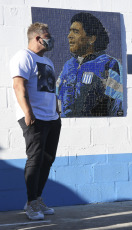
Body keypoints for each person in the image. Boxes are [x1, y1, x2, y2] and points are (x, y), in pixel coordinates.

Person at [10, 22, 61, 220]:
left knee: (47, 160)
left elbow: (50, 90)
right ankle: (31, 203)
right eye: (48, 36)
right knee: (35, 159)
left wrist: (56, 112)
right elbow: (18, 86)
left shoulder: (48, 61)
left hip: (51, 118)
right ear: (38, 38)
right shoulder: (23, 56)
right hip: (34, 117)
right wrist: (28, 112)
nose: (51, 40)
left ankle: (37, 198)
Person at [56, 12, 123, 117]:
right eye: (70, 32)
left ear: (92, 39)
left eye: (76, 31)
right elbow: (56, 99)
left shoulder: (110, 64)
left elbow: (117, 105)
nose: (69, 36)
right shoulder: (68, 66)